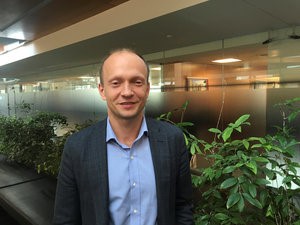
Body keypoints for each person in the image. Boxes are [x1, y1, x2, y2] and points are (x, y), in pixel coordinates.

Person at [53, 48, 194, 225]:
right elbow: (66, 218)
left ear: (147, 89)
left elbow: (183, 207)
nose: (127, 92)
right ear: (102, 90)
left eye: (137, 82)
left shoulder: (172, 139)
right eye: (116, 83)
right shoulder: (77, 147)